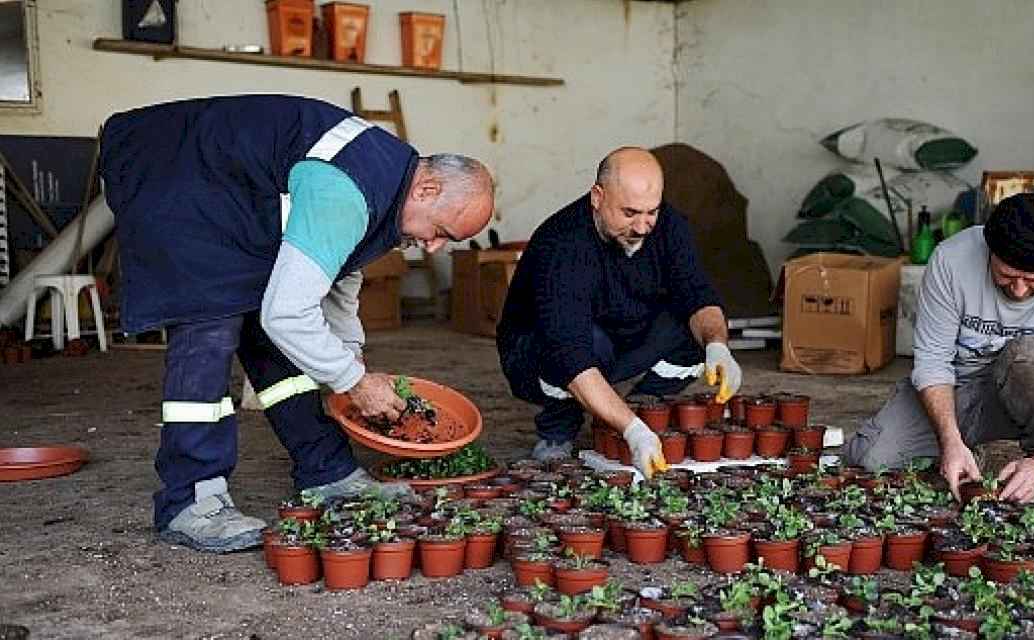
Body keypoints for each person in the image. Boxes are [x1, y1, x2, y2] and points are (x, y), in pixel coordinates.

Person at [98, 95, 495, 552]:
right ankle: (190, 500)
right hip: (173, 176)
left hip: (229, 195)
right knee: (210, 328)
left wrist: (348, 356)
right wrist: (354, 380)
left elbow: (340, 272)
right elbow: (288, 312)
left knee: (276, 340)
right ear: (428, 191)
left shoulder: (387, 185)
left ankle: (329, 473)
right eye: (443, 231)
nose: (434, 248)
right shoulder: (348, 188)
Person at [844, 194, 1034, 503]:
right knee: (871, 458)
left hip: (1033, 389)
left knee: (1027, 356)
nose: (1018, 289)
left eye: (1033, 280)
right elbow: (932, 363)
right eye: (1006, 275)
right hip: (959, 390)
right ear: (989, 250)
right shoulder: (952, 260)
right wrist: (950, 441)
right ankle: (965, 453)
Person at [496, 147, 741, 478]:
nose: (642, 226)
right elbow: (570, 353)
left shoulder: (669, 227)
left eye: (650, 212)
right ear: (598, 197)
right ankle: (558, 428)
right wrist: (632, 431)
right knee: (580, 349)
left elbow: (697, 294)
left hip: (621, 333)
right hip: (541, 353)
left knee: (694, 329)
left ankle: (641, 410)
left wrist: (718, 346)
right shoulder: (563, 246)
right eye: (629, 213)